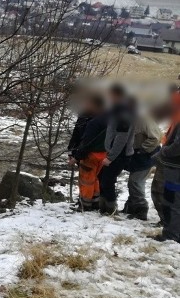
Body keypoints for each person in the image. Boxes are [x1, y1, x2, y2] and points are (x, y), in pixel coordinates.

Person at [98, 84, 135, 215]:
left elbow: (122, 137)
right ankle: (102, 207)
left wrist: (111, 156)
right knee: (102, 177)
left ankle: (111, 209)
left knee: (107, 181)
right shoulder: (117, 109)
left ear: (116, 95)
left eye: (110, 95)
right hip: (114, 152)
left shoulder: (124, 112)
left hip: (120, 154)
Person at [68, 94, 108, 212]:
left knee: (86, 180)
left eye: (88, 103)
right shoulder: (85, 116)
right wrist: (71, 150)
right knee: (93, 179)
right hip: (93, 153)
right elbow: (76, 134)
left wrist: (77, 157)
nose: (85, 105)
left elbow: (87, 142)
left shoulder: (97, 121)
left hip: (90, 154)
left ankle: (85, 204)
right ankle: (94, 202)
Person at [123, 103, 161, 220]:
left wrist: (143, 150)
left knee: (136, 181)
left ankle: (141, 209)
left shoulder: (144, 120)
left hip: (147, 155)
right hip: (136, 156)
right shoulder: (129, 120)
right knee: (132, 181)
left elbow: (155, 138)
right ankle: (131, 207)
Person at [156, 90, 180, 241]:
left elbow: (178, 146)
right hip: (174, 166)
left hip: (175, 167)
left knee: (173, 200)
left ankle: (172, 235)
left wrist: (164, 152)